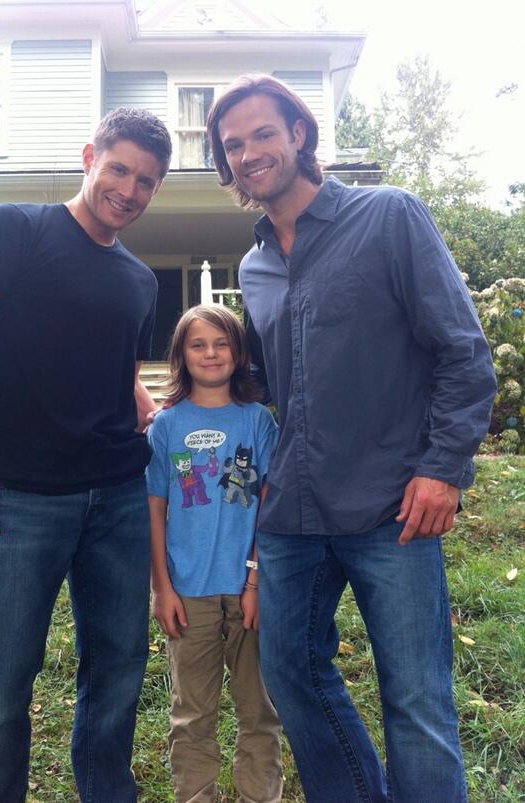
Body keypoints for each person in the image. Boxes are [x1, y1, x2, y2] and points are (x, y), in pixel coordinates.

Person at [206, 75, 497, 803]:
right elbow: (265, 385)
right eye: (233, 145)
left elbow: (463, 352)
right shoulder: (253, 267)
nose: (248, 153)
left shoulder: (389, 216)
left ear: (298, 134)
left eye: (262, 134)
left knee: (415, 698)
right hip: (292, 512)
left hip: (390, 506)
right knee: (291, 674)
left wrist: (443, 468)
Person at [0, 107, 172, 803]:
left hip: (120, 498)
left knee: (118, 669)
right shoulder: (13, 229)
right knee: (4, 678)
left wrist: (151, 409)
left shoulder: (140, 280)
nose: (128, 190)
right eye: (118, 169)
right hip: (22, 499)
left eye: (146, 181)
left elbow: (120, 371)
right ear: (89, 156)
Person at [146, 304, 282, 803]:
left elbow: (268, 508)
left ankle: (259, 795)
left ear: (238, 353)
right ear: (181, 354)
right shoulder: (165, 426)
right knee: (192, 716)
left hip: (249, 591)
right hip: (187, 594)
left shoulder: (257, 421)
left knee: (260, 711)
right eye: (198, 344)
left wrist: (256, 582)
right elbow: (154, 511)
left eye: (222, 343)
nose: (211, 353)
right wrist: (162, 588)